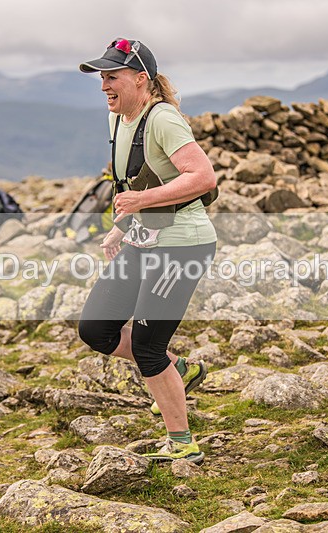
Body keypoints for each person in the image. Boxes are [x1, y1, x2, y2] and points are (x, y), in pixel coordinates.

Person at [77, 39, 218, 463]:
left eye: (112, 76)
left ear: (142, 79)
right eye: (102, 76)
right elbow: (137, 182)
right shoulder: (117, 118)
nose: (104, 84)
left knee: (146, 346)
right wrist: (121, 225)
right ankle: (182, 370)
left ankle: (183, 445)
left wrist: (138, 205)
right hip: (143, 238)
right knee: (95, 330)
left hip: (183, 246)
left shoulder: (164, 120)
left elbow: (203, 176)